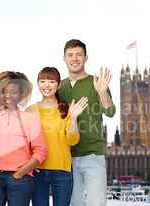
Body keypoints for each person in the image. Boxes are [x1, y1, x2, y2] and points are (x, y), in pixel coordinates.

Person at [0, 71, 48, 206]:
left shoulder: (30, 119)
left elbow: (41, 151)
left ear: (21, 95)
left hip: (20, 179)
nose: (8, 96)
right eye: (4, 91)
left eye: (13, 92)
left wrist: (21, 173)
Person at [58, 39, 116, 206]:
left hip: (93, 155)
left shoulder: (96, 83)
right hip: (67, 158)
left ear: (86, 58)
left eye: (78, 55)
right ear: (64, 59)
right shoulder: (59, 86)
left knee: (97, 203)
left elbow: (110, 112)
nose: (74, 58)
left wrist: (103, 93)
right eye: (70, 55)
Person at [26, 67, 88, 206]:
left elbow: (72, 141)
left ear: (58, 85)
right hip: (37, 171)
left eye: (51, 81)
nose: (46, 85)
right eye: (42, 81)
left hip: (62, 171)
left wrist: (73, 117)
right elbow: (24, 142)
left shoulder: (67, 109)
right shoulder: (30, 111)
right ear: (38, 84)